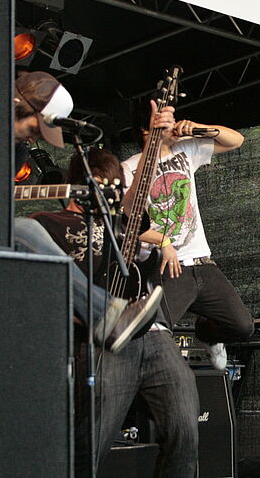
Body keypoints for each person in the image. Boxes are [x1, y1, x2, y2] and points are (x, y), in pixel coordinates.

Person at [32, 148, 200, 477]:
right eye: (104, 185)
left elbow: (139, 205)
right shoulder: (46, 225)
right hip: (102, 341)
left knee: (185, 432)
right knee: (89, 444)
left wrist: (164, 242)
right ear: (83, 183)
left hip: (153, 334)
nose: (112, 195)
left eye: (117, 187)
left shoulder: (122, 224)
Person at [13, 71, 162, 351]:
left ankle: (103, 316)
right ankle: (106, 315)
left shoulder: (17, 150)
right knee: (26, 229)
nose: (34, 140)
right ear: (19, 103)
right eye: (36, 128)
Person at [122, 111, 254, 370]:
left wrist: (198, 127)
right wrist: (163, 242)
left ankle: (208, 334)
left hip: (203, 263)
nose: (173, 126)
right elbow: (127, 221)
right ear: (146, 131)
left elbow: (236, 140)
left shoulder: (185, 150)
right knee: (155, 332)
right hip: (166, 266)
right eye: (166, 123)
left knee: (242, 327)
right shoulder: (128, 168)